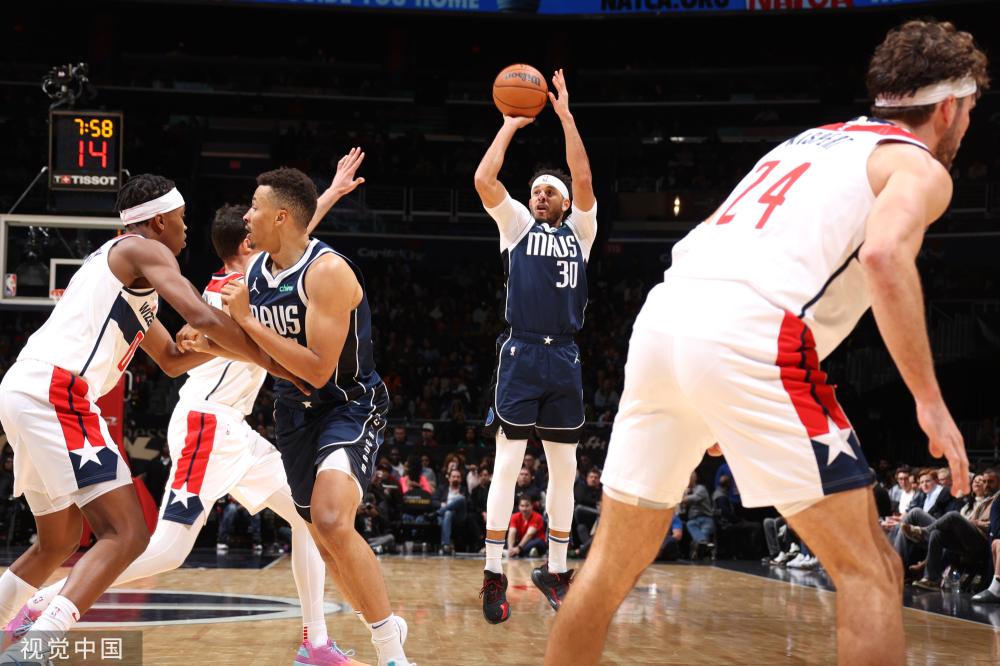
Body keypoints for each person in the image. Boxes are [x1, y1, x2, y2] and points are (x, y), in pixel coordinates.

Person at [546, 20, 983, 666]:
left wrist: (716, 398)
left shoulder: (807, 144)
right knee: (872, 572)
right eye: (970, 112)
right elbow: (887, 256)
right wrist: (928, 398)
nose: (968, 125)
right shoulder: (914, 164)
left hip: (666, 319)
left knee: (607, 567)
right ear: (948, 109)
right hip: (751, 336)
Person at [6, 172, 370, 664]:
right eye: (180, 219)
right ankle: (37, 641)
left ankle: (316, 641)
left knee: (59, 541)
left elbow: (174, 360)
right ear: (159, 220)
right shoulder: (191, 271)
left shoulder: (141, 281)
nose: (185, 229)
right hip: (153, 410)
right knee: (137, 538)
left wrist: (324, 195)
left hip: (38, 390)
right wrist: (274, 362)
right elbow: (207, 314)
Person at [186, 163, 411, 666]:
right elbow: (262, 353)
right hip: (293, 415)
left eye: (255, 207)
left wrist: (241, 322)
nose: (247, 216)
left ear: (281, 217)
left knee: (331, 520)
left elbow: (313, 369)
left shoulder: (329, 272)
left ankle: (391, 653)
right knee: (326, 541)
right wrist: (209, 342)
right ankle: (385, 622)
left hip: (346, 404)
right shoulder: (256, 272)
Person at [474, 68, 597, 623]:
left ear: (566, 202)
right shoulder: (518, 227)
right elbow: (484, 180)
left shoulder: (583, 232)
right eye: (534, 191)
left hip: (565, 357)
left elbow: (584, 177)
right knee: (506, 465)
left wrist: (566, 117)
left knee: (565, 470)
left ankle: (556, 568)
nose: (538, 195)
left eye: (548, 191)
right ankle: (494, 573)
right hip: (522, 353)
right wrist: (508, 126)